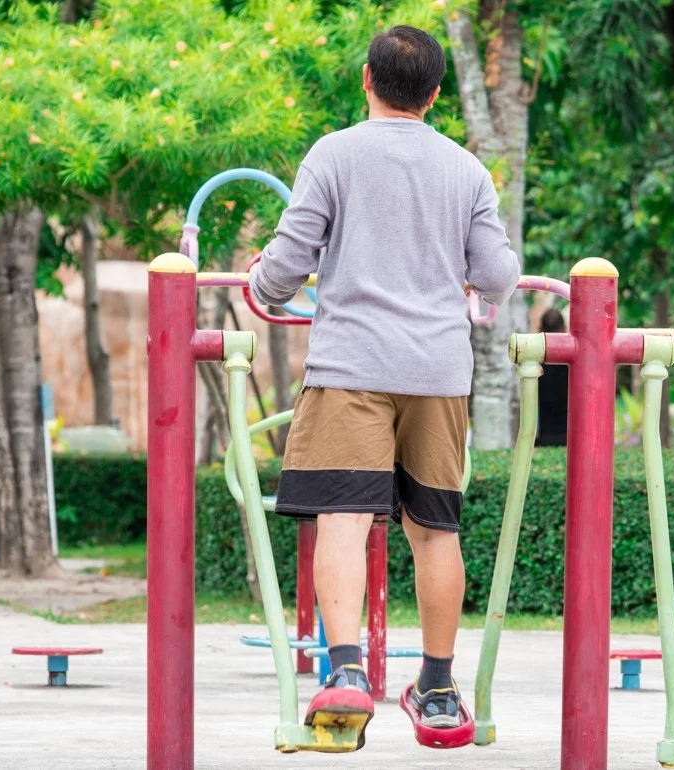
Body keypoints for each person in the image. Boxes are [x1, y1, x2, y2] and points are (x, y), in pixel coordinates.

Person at [250, 25, 520, 748]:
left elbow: (288, 261)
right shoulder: (466, 170)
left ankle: (346, 674)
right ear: (435, 95)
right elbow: (496, 276)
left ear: (366, 78)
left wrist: (260, 282)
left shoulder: (334, 154)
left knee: (341, 522)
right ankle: (435, 688)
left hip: (352, 368)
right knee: (434, 530)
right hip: (436, 372)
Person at [536, 310, 569, 447]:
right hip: (570, 435)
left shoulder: (536, 362)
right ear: (564, 328)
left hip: (544, 436)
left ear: (541, 329)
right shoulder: (573, 362)